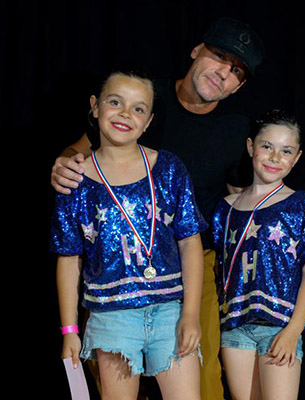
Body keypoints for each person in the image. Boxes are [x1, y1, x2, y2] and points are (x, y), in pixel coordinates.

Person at [50, 18, 305, 400]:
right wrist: (65, 161)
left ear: (240, 86)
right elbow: (86, 147)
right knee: (113, 375)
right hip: (118, 269)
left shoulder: (236, 130)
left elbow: (252, 194)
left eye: (236, 72)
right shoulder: (144, 98)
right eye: (219, 57)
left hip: (193, 261)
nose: (223, 73)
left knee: (203, 377)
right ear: (197, 50)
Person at [50, 71, 207, 400]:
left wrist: (191, 314)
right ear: (95, 107)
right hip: (111, 315)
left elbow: (190, 242)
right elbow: (69, 258)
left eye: (138, 109)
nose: (125, 114)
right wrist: (69, 330)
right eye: (115, 102)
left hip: (168, 310)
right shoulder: (75, 179)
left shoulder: (168, 168)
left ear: (148, 122)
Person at [212, 110, 305, 400]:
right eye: (267, 146)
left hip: (279, 325)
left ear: (297, 157)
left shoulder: (302, 204)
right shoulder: (225, 208)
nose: (275, 157)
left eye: (286, 151)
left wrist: (293, 330)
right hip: (235, 325)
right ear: (251, 146)